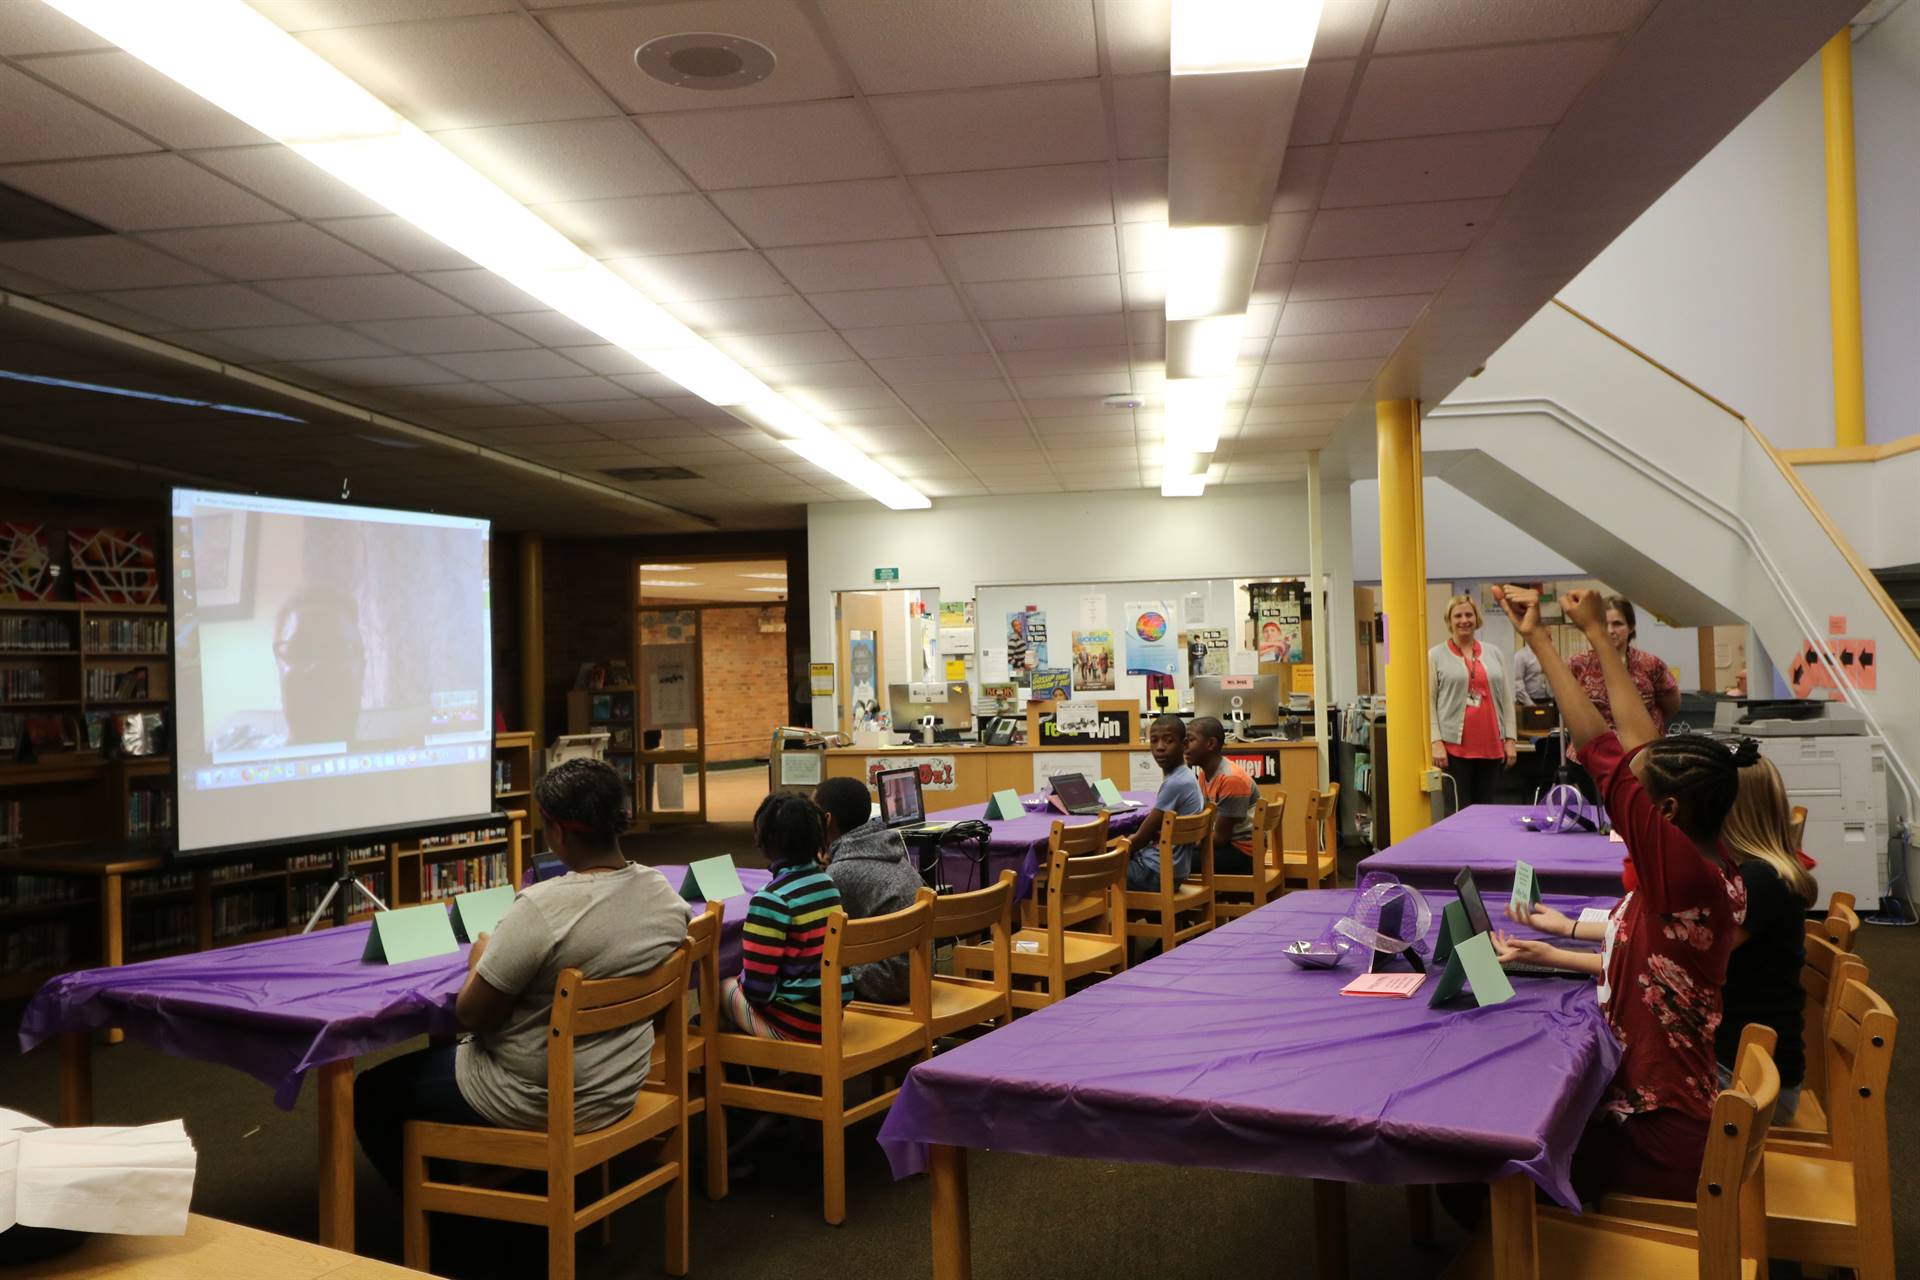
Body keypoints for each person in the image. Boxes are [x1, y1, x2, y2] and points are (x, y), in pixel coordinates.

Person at [1489, 585, 1750, 1203]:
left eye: (1641, 796)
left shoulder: (1682, 874)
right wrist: (1602, 640)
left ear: (1662, 811)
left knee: (1488, 1167)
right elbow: (1636, 751)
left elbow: (1606, 755)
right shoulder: (1712, 863)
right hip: (1671, 1106)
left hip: (1658, 1135)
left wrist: (1540, 640)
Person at [352, 758, 690, 1187]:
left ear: (558, 832)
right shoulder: (662, 894)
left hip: (538, 1097)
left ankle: (440, 1224)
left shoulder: (541, 907)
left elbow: (472, 1016)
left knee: (371, 1092)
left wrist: (481, 957)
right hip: (619, 1084)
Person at [1715, 755, 1817, 1122]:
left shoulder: (1760, 881)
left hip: (1752, 1084)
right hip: (1750, 1067)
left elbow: (1693, 953)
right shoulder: (1761, 871)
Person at [722, 792, 853, 1040]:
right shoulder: (827, 884)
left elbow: (758, 992)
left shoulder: (771, 899)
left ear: (765, 841)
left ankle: (737, 1072)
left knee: (721, 987)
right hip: (830, 1015)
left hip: (796, 1025)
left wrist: (739, 979)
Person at [814, 775, 921, 1004]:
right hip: (918, 970)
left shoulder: (841, 874)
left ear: (827, 819)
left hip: (889, 981)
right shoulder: (889, 850)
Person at [1427, 594, 1518, 810]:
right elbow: (1429, 702)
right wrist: (1435, 741)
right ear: (1449, 621)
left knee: (1486, 811)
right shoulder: (1435, 655)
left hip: (1490, 746)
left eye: (1469, 614)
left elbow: (1506, 698)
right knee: (1458, 810)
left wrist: (1511, 739)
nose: (1464, 620)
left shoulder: (1493, 653)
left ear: (1477, 619)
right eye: (1457, 615)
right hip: (1453, 749)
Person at [1117, 713, 1206, 890]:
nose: (1159, 747)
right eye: (1154, 740)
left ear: (1184, 744)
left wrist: (1108, 856)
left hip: (1155, 872)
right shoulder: (1186, 775)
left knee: (1088, 874)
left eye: (1168, 741)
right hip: (1172, 870)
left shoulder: (1175, 783)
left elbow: (1141, 839)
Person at [1568, 595, 1681, 735]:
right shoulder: (1578, 664)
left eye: (1617, 624)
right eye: (1604, 624)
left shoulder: (1651, 664)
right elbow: (1571, 710)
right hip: (1595, 747)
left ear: (1631, 627)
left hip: (1643, 747)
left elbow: (1671, 706)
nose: (1610, 631)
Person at [1184, 716, 1259, 876]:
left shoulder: (1231, 779)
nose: (1184, 747)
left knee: (1170, 861)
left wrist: (1180, 843)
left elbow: (1219, 838)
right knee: (1167, 856)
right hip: (1226, 847)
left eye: (1190, 740)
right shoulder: (1205, 775)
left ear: (1210, 743)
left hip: (1242, 855)